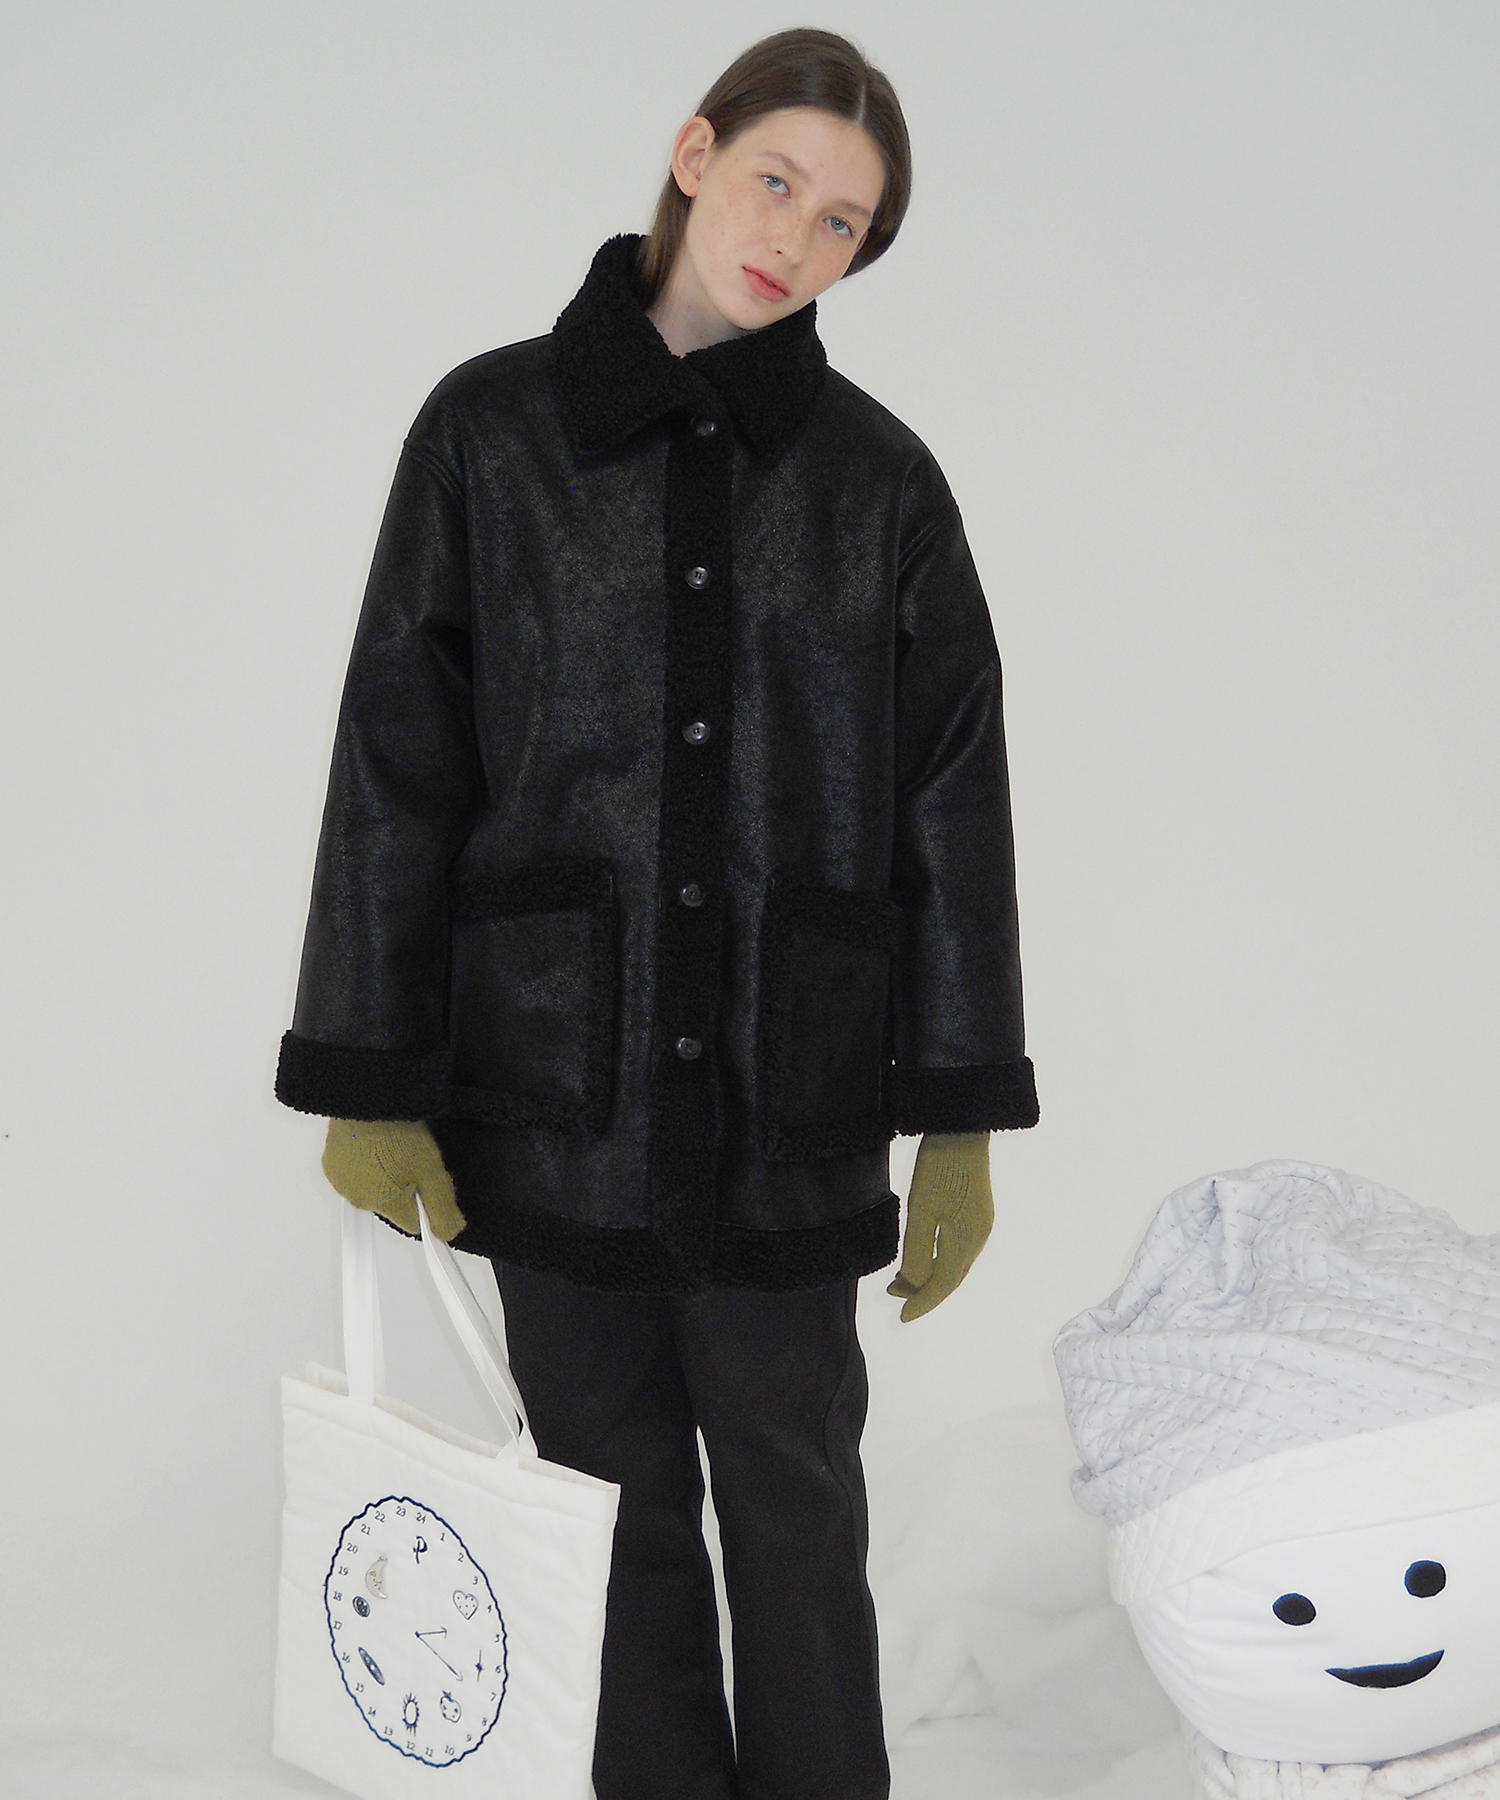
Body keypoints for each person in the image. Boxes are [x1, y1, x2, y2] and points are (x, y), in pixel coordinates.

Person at [275, 27, 1038, 1800]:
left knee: (796, 1497)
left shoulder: (880, 485)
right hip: (557, 1085)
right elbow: (397, 755)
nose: (797, 238)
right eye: (778, 181)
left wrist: (959, 1118)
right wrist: (370, 1074)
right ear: (695, 156)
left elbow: (952, 800)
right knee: (602, 1512)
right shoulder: (487, 436)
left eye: (844, 224)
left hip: (793, 1101)